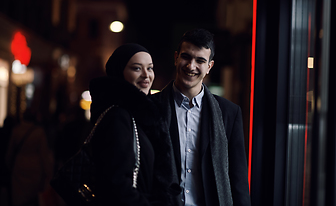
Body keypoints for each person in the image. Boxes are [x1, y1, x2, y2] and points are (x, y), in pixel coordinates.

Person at [152, 28, 251, 206]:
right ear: (176, 58)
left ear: (209, 67)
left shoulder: (229, 113)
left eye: (200, 60)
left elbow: (238, 179)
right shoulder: (152, 106)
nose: (191, 66)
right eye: (186, 57)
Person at [89, 43, 174, 205]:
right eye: (136, 68)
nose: (146, 75)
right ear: (119, 73)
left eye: (150, 68)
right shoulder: (118, 117)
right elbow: (116, 184)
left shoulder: (140, 116)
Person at [5, 110, 53, 206]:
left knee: (19, 197)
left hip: (19, 166)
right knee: (32, 199)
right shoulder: (39, 132)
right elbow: (44, 154)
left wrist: (8, 165)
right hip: (35, 167)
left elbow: (10, 151)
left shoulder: (16, 130)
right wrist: (48, 172)